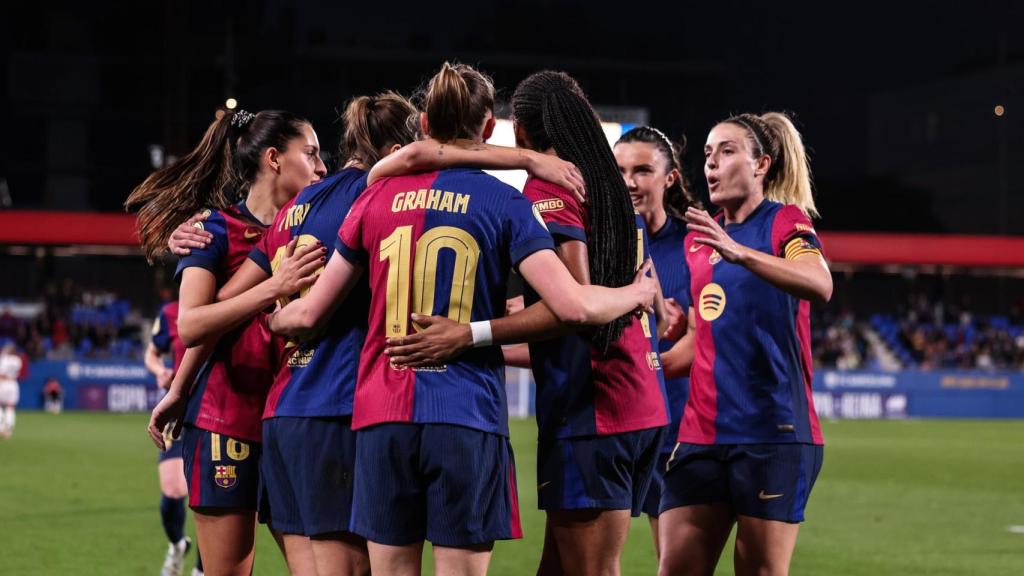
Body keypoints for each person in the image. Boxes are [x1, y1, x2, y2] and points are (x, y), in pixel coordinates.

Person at [268, 62, 658, 576]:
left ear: (424, 122)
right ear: (489, 128)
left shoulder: (374, 194)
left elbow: (310, 313)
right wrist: (637, 291)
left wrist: (274, 315)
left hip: (382, 416)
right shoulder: (506, 202)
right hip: (466, 414)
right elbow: (573, 306)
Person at [126, 108, 326, 576]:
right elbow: (192, 326)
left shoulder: (321, 224)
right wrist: (273, 287)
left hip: (295, 420)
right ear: (274, 159)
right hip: (226, 422)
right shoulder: (212, 230)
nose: (322, 168)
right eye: (312, 154)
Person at [657, 112, 832, 576]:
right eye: (709, 155)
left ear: (761, 165)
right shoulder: (699, 242)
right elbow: (701, 341)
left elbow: (820, 283)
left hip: (771, 434)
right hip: (701, 436)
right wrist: (650, 358)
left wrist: (742, 253)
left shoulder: (784, 223)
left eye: (727, 152)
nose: (712, 164)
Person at [613, 126, 700, 558]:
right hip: (610, 427)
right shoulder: (592, 247)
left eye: (643, 170)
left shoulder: (697, 246)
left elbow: (711, 340)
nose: (629, 181)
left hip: (676, 433)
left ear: (669, 178)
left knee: (675, 565)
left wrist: (680, 333)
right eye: (620, 170)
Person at [144, 300, 204, 576]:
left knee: (212, 497)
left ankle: (203, 569)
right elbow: (152, 353)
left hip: (214, 406)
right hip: (179, 411)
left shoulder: (226, 299)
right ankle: (177, 545)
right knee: (172, 489)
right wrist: (161, 372)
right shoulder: (170, 312)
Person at [0, 341, 23, 439]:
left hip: (3, 382)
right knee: (10, 407)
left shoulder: (4, 359)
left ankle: (1, 427)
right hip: (13, 383)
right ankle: (8, 428)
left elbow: (2, 372)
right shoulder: (18, 360)